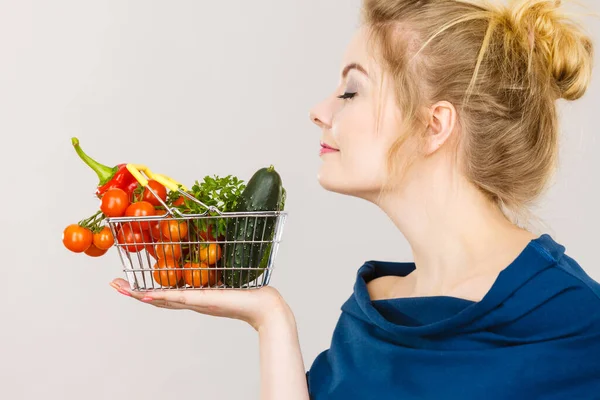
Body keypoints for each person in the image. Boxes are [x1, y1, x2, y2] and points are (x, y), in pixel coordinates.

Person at [110, 0, 600, 398]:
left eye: (351, 91)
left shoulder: (577, 325)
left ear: (434, 126)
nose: (319, 111)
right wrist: (270, 320)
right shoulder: (372, 313)